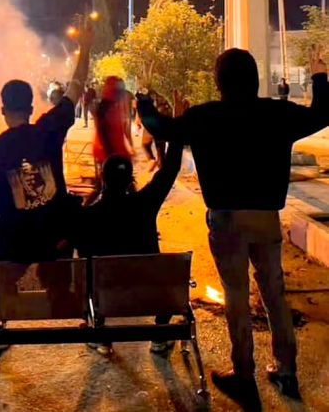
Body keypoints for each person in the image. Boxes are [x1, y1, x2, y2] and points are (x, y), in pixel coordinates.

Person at [138, 49, 329, 409]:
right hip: (266, 219)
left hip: (226, 220)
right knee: (274, 293)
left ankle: (244, 374)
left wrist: (144, 97)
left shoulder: (204, 116)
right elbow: (323, 113)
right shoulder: (277, 113)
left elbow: (158, 126)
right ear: (254, 79)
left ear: (219, 81)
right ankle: (286, 371)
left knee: (237, 296)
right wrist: (319, 75)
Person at [0, 17, 93, 262]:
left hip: (17, 244)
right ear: (30, 109)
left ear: (3, 110)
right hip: (55, 237)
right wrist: (86, 48)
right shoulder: (49, 129)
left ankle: (3, 281)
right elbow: (75, 88)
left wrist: (14, 208)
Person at [76, 142, 183, 355]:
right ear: (129, 180)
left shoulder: (87, 217)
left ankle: (100, 334)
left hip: (106, 296)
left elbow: (83, 259)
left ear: (102, 179)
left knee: (89, 273)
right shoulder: (145, 203)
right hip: (148, 293)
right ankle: (159, 335)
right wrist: (176, 138)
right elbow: (170, 170)